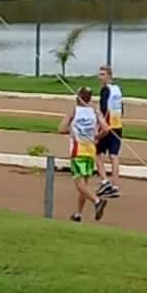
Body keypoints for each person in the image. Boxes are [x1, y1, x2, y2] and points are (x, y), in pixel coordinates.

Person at [57, 86, 104, 220]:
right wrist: (96, 136)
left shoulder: (74, 111)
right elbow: (105, 129)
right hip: (90, 151)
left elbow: (60, 129)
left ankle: (97, 201)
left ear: (78, 97)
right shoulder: (95, 111)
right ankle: (78, 213)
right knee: (84, 185)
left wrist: (72, 131)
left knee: (79, 184)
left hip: (78, 151)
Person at [94, 61, 125, 205]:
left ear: (109, 76)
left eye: (102, 74)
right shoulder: (117, 89)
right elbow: (121, 108)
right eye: (99, 74)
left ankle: (105, 181)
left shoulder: (105, 90)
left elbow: (103, 109)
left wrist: (100, 126)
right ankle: (115, 186)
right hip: (118, 126)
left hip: (107, 126)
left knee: (96, 152)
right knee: (114, 156)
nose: (100, 77)